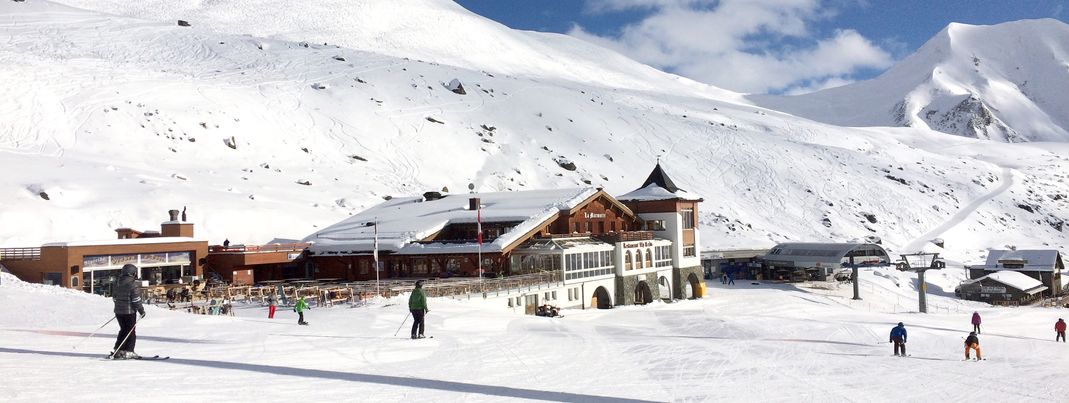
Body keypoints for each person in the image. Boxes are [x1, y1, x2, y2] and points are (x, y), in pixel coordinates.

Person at [110, 264, 146, 360]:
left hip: (118, 312)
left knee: (123, 330)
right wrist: (141, 310)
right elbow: (136, 300)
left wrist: (120, 307)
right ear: (132, 273)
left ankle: (118, 350)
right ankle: (129, 351)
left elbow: (114, 297)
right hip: (129, 312)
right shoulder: (132, 284)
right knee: (131, 331)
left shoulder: (117, 283)